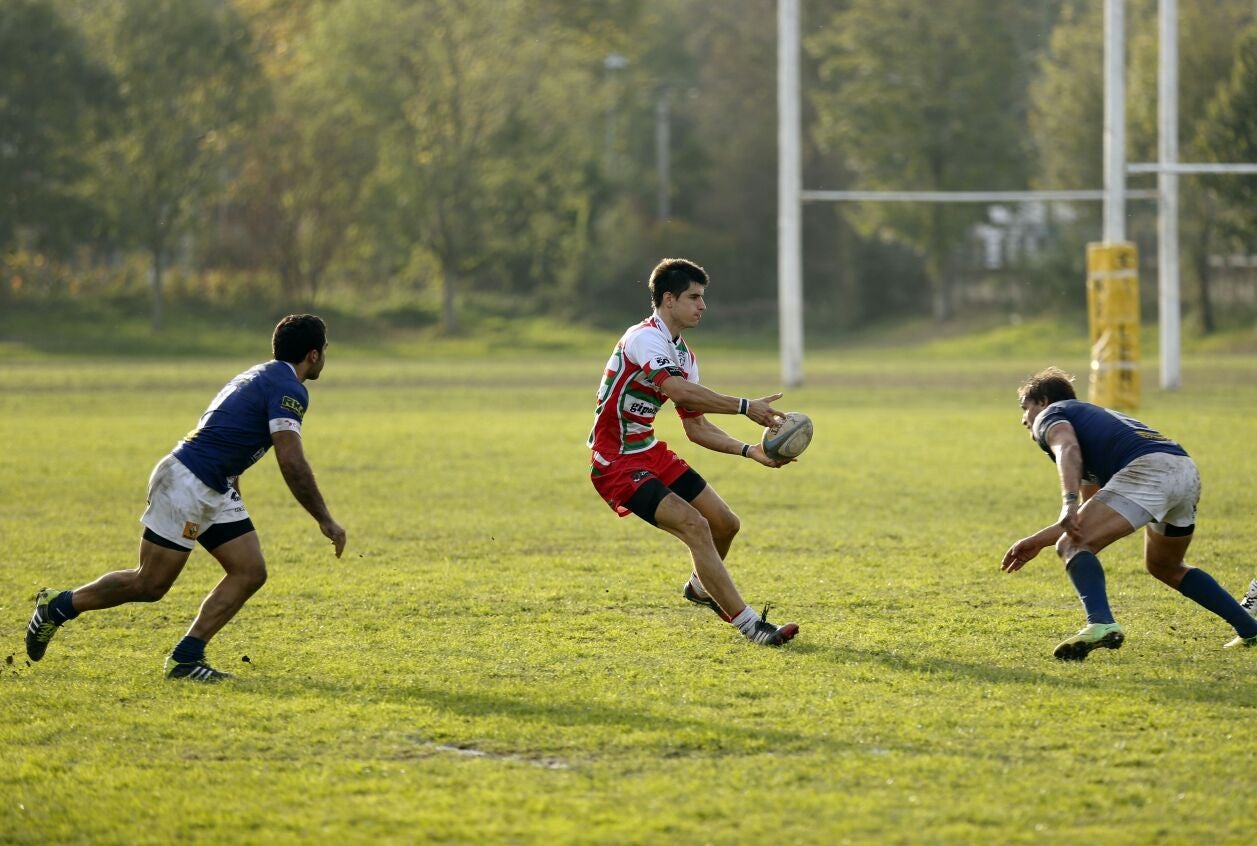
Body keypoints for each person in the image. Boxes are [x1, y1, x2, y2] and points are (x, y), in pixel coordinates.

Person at [25, 314, 347, 681]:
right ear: (314, 355)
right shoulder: (290, 389)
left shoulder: (258, 375)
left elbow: (228, 431)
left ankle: (185, 659)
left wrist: (232, 490)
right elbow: (291, 461)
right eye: (325, 350)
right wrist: (324, 518)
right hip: (187, 483)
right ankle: (58, 605)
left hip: (214, 484)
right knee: (150, 585)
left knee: (249, 571)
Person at [587, 257, 799, 646]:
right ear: (669, 299)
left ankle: (701, 588)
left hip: (648, 452)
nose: (703, 306)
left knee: (725, 524)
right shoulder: (644, 337)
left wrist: (749, 450)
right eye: (694, 297)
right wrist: (744, 406)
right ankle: (752, 626)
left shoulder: (684, 355)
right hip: (614, 461)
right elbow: (678, 391)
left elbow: (695, 426)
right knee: (695, 526)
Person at [1001, 366, 1257, 660]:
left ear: (1043, 401)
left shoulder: (1052, 415)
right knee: (1165, 565)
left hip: (1149, 470)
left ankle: (1101, 623)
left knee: (1073, 546)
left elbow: (1067, 448)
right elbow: (1083, 520)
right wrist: (1037, 540)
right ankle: (1250, 629)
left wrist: (1067, 501)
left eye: (1025, 409)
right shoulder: (1092, 425)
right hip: (1182, 469)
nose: (1024, 420)